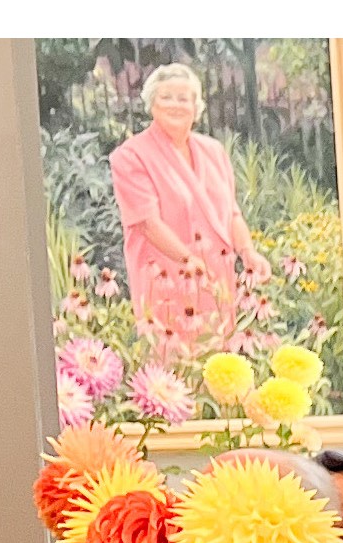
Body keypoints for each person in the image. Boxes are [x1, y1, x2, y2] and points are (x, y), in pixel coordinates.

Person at [108, 64, 268, 357]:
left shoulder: (214, 151)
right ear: (151, 104)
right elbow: (147, 223)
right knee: (173, 370)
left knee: (220, 369)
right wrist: (187, 258)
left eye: (184, 98)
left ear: (197, 107)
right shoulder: (131, 156)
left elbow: (231, 213)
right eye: (166, 97)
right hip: (166, 279)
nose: (176, 105)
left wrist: (248, 252)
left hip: (216, 281)